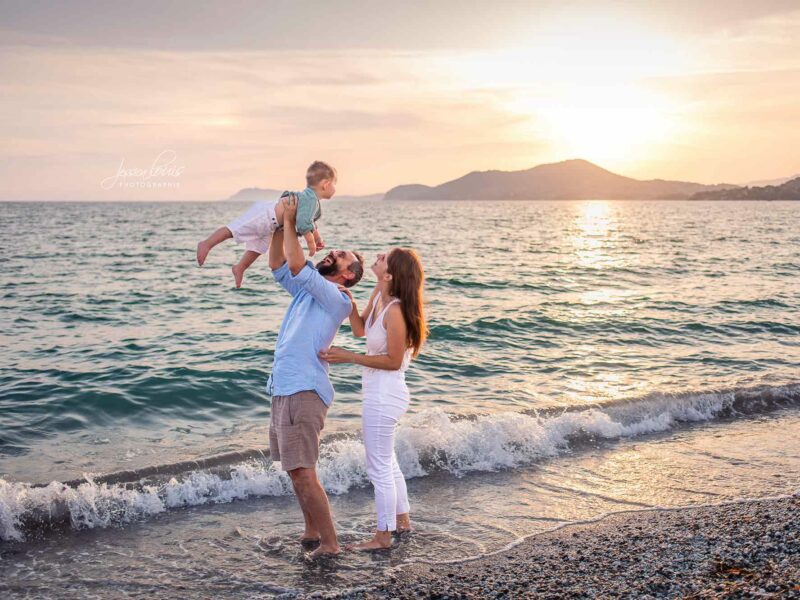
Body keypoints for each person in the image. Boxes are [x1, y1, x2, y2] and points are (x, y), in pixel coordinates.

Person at [266, 194, 364, 558]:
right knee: (294, 470)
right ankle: (311, 531)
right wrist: (279, 225)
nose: (333, 253)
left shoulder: (337, 298)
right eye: (336, 250)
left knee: (304, 471)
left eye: (341, 257)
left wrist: (292, 220)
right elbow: (279, 263)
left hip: (304, 390)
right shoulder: (308, 290)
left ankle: (331, 544)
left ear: (348, 275)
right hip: (284, 387)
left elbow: (295, 259)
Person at [320, 248, 427, 551]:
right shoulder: (379, 293)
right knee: (388, 463)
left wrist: (349, 358)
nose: (378, 257)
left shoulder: (396, 309)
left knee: (377, 467)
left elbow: (393, 361)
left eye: (384, 258)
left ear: (391, 274)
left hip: (385, 395)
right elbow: (358, 330)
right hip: (379, 393)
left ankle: (383, 536)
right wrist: (349, 301)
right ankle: (401, 521)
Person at [196, 160, 334, 288]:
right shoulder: (310, 199)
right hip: (265, 214)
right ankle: (207, 244)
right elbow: (304, 225)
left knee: (258, 248)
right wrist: (311, 245)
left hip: (271, 225)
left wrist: (317, 238)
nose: (334, 188)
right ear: (326, 184)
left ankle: (240, 268)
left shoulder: (312, 201)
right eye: (334, 184)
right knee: (234, 230)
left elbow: (309, 222)